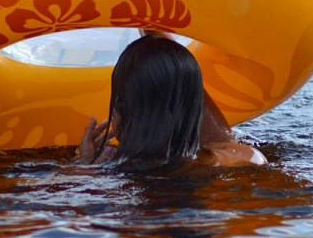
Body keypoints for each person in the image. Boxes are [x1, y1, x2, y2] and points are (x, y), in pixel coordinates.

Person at [75, 33, 267, 171]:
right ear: (194, 108)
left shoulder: (107, 171)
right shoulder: (243, 160)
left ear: (118, 112)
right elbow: (222, 142)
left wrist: (85, 162)